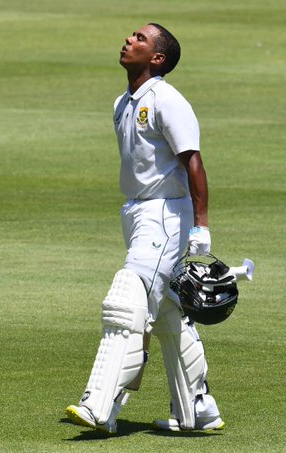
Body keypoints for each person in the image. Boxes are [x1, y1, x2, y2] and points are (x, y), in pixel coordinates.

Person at [65, 23, 224, 435]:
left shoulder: (167, 100)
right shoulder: (123, 102)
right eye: (130, 35)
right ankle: (197, 410)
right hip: (136, 213)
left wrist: (200, 226)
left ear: (157, 58)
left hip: (166, 215)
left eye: (139, 39)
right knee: (169, 312)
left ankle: (99, 406)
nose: (127, 40)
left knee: (126, 302)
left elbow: (193, 160)